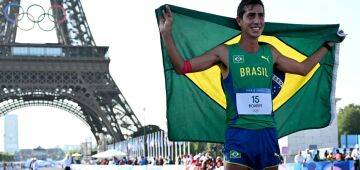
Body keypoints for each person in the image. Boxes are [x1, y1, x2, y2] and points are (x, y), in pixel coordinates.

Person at [159, 0, 339, 169]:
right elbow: (182, 67)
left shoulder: (270, 52)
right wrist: (166, 34)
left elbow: (304, 68)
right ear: (239, 21)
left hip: (268, 134)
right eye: (251, 15)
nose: (257, 21)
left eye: (261, 16)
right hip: (239, 135)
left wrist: (328, 45)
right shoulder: (225, 53)